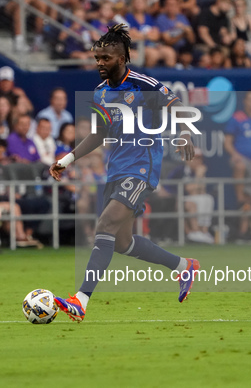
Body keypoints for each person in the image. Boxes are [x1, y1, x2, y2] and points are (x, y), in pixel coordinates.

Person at [49, 24, 199, 322]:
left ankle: (80, 300)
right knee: (121, 242)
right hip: (116, 168)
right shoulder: (101, 93)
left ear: (121, 58)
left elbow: (177, 106)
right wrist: (67, 160)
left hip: (143, 166)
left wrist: (184, 133)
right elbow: (99, 133)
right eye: (97, 58)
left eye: (105, 58)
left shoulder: (143, 84)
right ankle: (184, 267)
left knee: (104, 225)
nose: (100, 64)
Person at [224, 91, 251, 243]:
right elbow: (227, 142)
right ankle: (239, 199)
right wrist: (235, 154)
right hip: (240, 159)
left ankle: (243, 232)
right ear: (245, 101)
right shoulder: (237, 118)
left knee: (250, 199)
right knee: (240, 165)